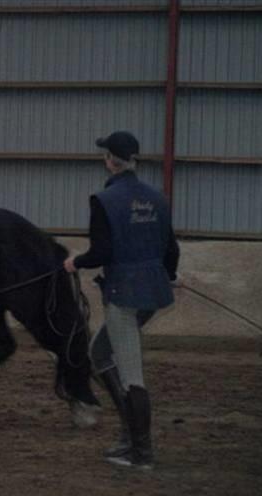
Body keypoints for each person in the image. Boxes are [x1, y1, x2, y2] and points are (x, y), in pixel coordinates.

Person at [64, 131, 179, 469]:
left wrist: (76, 262)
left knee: (132, 376)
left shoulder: (104, 200)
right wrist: (170, 275)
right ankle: (130, 436)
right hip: (152, 293)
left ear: (110, 160)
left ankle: (141, 452)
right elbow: (171, 248)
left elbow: (102, 252)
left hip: (124, 295)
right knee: (99, 353)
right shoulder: (157, 198)